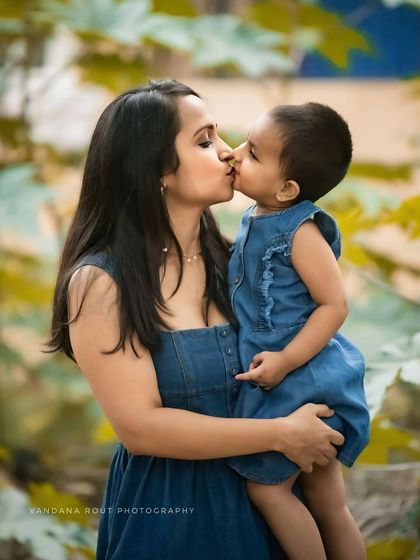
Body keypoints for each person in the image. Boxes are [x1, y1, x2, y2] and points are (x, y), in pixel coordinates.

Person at [47, 80, 345, 560]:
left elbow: (316, 342)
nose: (229, 154)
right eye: (205, 141)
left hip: (268, 505)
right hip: (172, 517)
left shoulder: (240, 265)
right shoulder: (102, 283)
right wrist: (280, 433)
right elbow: (140, 429)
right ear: (156, 170)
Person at [225, 103, 371, 560]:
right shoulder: (260, 213)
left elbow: (335, 304)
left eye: (251, 154)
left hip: (302, 375)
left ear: (287, 189)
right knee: (329, 503)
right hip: (289, 373)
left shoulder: (300, 230)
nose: (234, 156)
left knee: (268, 491)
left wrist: (287, 360)